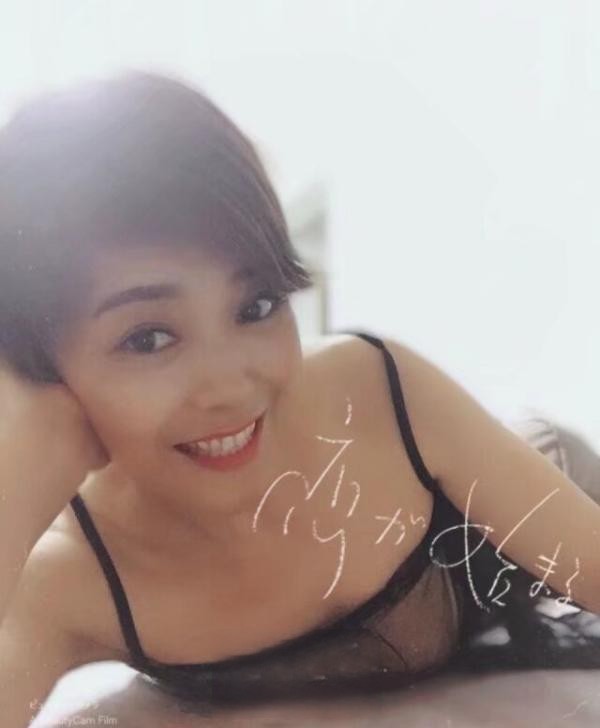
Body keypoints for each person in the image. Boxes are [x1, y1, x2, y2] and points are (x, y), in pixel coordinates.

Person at [0, 70, 599, 726]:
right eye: (148, 339)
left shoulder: (382, 393)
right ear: (42, 368)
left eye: (258, 304)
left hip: (536, 465)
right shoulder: (70, 574)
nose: (231, 386)